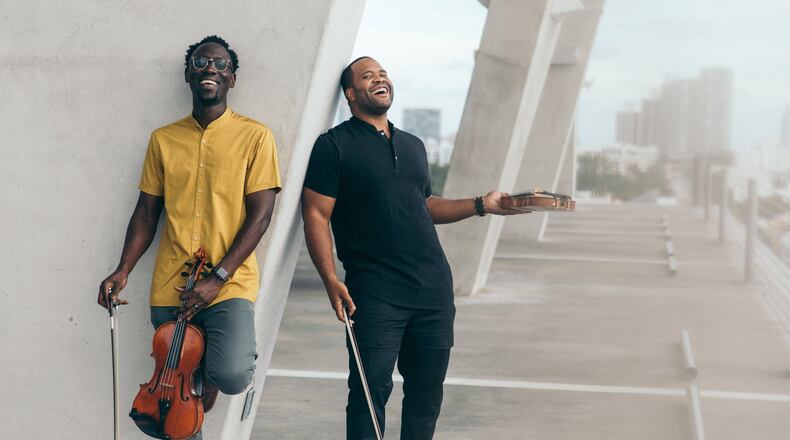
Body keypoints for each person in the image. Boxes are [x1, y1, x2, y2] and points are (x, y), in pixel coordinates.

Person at [302, 56, 526, 440]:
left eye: (383, 74)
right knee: (370, 392)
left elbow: (423, 205)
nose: (380, 79)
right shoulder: (333, 146)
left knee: (426, 395)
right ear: (351, 94)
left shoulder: (413, 145)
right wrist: (329, 279)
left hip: (432, 290)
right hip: (374, 292)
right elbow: (316, 215)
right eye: (368, 76)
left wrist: (480, 204)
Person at [97, 35, 281, 439]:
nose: (210, 69)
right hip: (172, 287)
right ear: (188, 74)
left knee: (231, 373)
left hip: (228, 286)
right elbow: (147, 211)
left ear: (232, 78)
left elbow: (262, 215)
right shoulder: (163, 139)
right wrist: (122, 269)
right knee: (168, 408)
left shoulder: (256, 137)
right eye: (200, 63)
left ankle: (205, 382)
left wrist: (217, 278)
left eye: (219, 64)